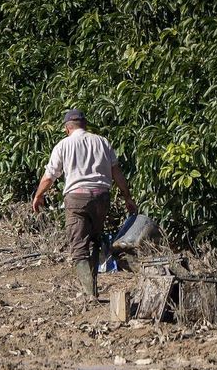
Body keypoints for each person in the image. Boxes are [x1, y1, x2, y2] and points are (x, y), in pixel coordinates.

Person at [31, 108, 138, 300]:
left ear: (67, 128)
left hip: (76, 199)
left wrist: (38, 195)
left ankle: (90, 293)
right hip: (101, 198)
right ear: (85, 125)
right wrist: (127, 197)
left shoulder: (63, 145)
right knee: (95, 241)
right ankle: (93, 287)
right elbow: (117, 173)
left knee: (79, 247)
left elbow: (50, 176)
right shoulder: (102, 142)